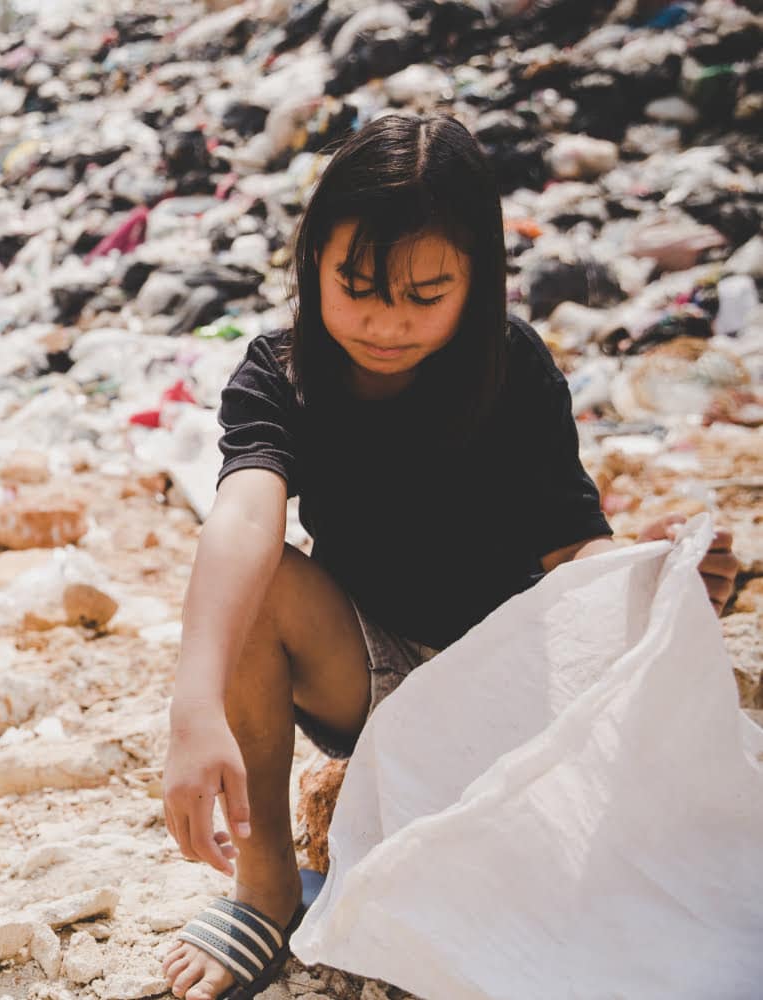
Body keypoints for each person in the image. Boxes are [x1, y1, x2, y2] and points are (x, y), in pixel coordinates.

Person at [160, 113, 740, 1000]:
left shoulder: (512, 368)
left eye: (425, 294)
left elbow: (573, 545)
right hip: (370, 679)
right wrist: (193, 702)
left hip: (509, 688)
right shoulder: (281, 373)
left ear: (479, 279)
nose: (386, 321)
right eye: (357, 286)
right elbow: (243, 516)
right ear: (312, 261)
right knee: (261, 579)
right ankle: (268, 885)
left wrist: (649, 582)